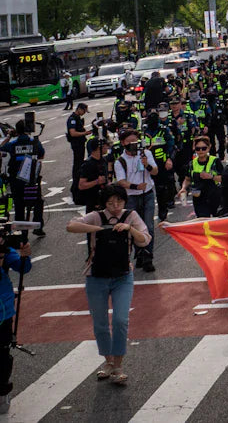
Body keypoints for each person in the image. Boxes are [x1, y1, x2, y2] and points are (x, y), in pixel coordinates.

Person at [66, 184, 151, 385]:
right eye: (110, 203)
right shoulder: (96, 216)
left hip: (123, 276)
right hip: (96, 276)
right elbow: (71, 226)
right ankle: (109, 361)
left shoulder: (131, 216)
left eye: (119, 202)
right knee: (101, 323)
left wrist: (130, 228)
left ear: (125, 201)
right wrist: (99, 229)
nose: (115, 206)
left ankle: (118, 366)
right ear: (104, 203)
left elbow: (144, 240)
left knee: (121, 320)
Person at [112, 128, 158, 271]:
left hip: (148, 194)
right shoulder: (120, 161)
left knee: (148, 226)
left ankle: (148, 256)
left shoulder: (146, 154)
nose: (133, 144)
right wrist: (135, 186)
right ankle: (139, 253)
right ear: (123, 143)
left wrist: (147, 165)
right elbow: (121, 181)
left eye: (135, 141)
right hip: (131, 197)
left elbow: (155, 171)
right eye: (129, 142)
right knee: (134, 227)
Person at [0, 233, 31, 414]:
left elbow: (23, 267)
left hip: (3, 309)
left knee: (2, 352)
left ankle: (2, 390)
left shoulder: (5, 251)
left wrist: (25, 253)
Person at [3, 121, 46, 237]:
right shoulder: (34, 142)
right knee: (37, 202)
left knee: (19, 206)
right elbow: (41, 155)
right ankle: (38, 227)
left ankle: (21, 233)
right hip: (31, 180)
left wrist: (9, 136)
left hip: (16, 181)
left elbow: (2, 147)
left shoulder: (13, 143)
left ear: (16, 131)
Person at [178, 135, 224, 217]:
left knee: (217, 222)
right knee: (203, 222)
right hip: (198, 197)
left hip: (214, 196)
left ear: (209, 148)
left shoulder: (215, 161)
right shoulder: (192, 163)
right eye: (198, 149)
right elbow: (187, 179)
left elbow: (223, 179)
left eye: (203, 148)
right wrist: (183, 188)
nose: (201, 151)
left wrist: (211, 177)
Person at [76, 138, 111, 213]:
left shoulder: (103, 160)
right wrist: (97, 182)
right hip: (92, 201)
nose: (107, 148)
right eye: (105, 146)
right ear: (99, 148)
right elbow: (81, 185)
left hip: (103, 199)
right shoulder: (88, 164)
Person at [66, 102, 92, 198]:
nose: (84, 113)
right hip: (76, 144)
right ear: (79, 109)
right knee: (77, 166)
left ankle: (77, 186)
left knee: (79, 164)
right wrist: (85, 133)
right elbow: (72, 133)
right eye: (84, 111)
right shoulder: (72, 119)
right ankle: (75, 187)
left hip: (80, 144)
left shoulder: (78, 118)